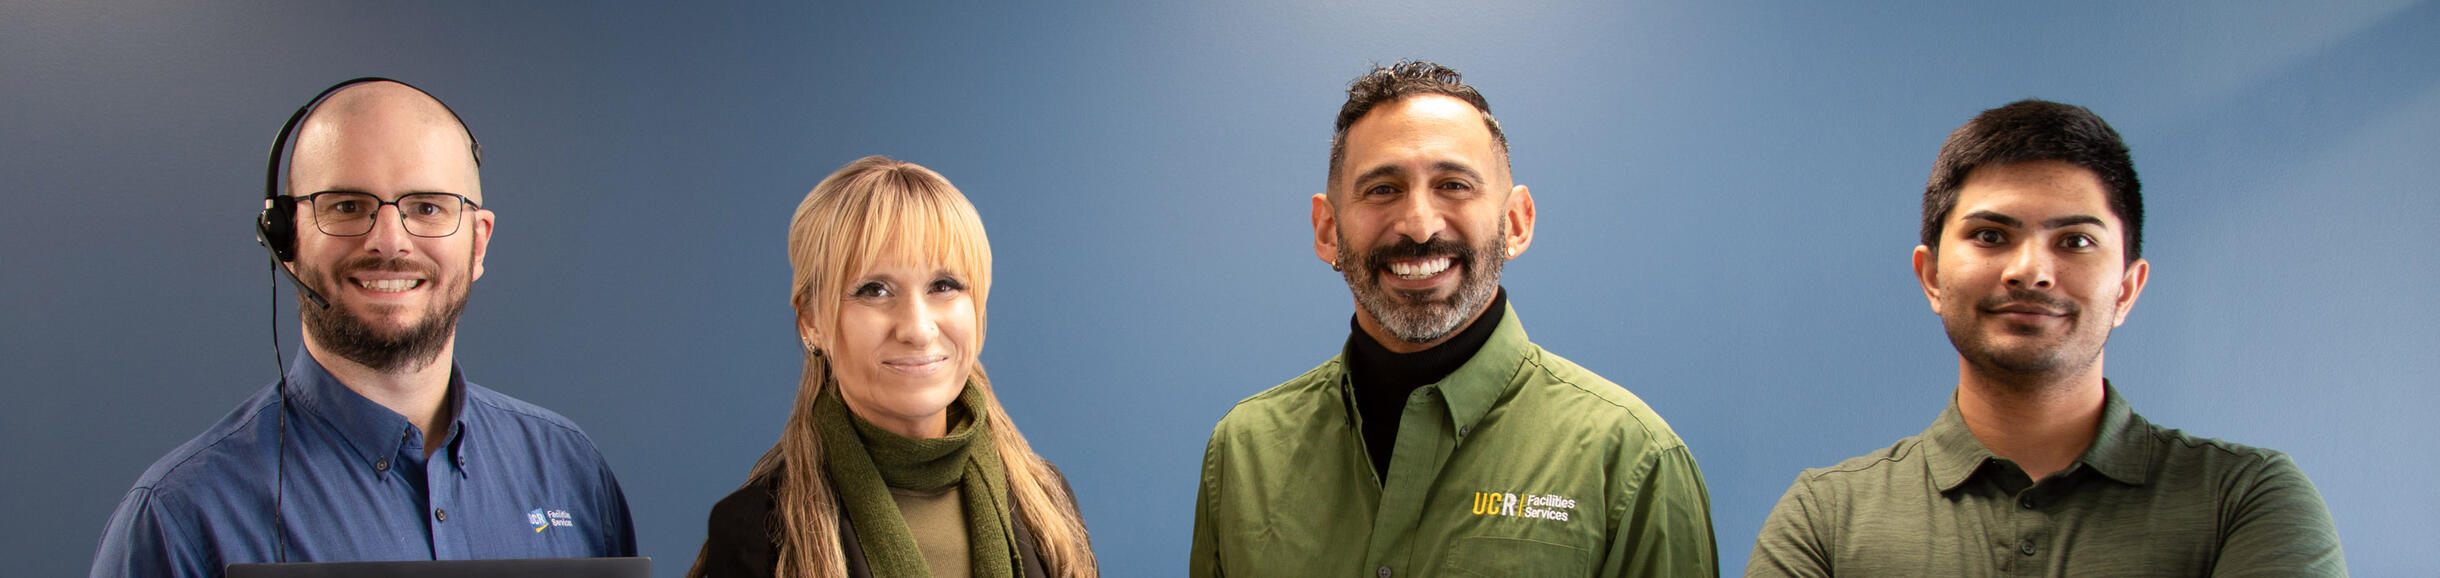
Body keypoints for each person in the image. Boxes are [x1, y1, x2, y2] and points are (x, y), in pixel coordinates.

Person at [1745, 100, 2348, 576]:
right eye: (1989, 235)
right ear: (1931, 277)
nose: (2030, 270)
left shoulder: (2245, 500)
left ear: (2127, 290)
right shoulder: (1825, 516)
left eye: (2076, 241)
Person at [1189, 60, 1718, 578]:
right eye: (1382, 189)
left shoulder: (1632, 461)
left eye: (1454, 185)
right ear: (1328, 229)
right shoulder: (1244, 451)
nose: (1419, 225)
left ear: (1515, 222)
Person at [89, 78, 636, 577]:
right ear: (286, 238)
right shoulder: (181, 517)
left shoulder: (571, 470)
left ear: (479, 242)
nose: (390, 242)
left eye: (427, 207)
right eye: (348, 205)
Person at [689, 156, 1097, 578]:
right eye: (875, 290)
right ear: (811, 320)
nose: (918, 330)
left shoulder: (1046, 503)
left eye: (944, 286)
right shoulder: (756, 533)